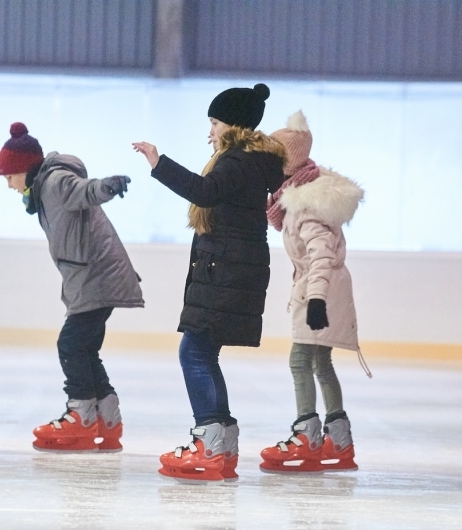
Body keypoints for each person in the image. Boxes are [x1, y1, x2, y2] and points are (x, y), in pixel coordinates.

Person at [132, 84, 285, 483]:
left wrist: (158, 161)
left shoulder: (236, 162)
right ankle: (219, 442)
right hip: (232, 269)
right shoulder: (252, 161)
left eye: (214, 122)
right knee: (202, 352)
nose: (209, 132)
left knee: (194, 353)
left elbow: (205, 191)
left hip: (226, 270)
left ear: (232, 124)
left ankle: (212, 439)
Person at [0, 122, 144, 453]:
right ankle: (107, 419)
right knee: (85, 348)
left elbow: (85, 190)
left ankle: (81, 415)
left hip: (96, 276)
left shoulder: (55, 181)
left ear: (23, 169)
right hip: (93, 276)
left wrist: (108, 185)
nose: (8, 185)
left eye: (9, 177)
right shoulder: (42, 188)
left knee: (70, 344)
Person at [260, 110, 369, 473]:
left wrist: (317, 300)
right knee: (321, 363)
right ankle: (339, 442)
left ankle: (307, 437)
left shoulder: (304, 206)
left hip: (318, 291)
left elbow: (321, 256)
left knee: (300, 362)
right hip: (321, 288)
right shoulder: (298, 197)